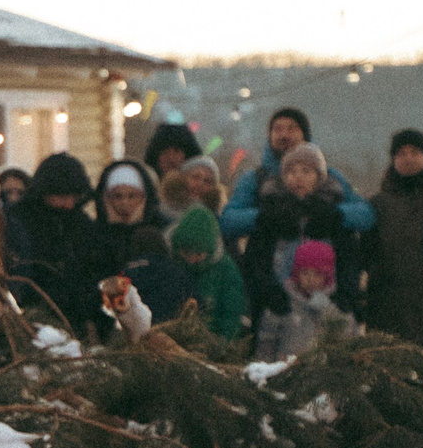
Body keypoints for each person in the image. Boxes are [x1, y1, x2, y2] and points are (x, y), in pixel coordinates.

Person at [240, 144, 362, 345]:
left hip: (326, 305)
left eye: (306, 171)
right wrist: (269, 292)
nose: (298, 177)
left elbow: (349, 259)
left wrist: (345, 297)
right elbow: (257, 259)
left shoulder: (332, 214)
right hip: (280, 307)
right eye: (291, 172)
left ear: (319, 177)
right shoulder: (272, 214)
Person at [222, 107, 373, 240]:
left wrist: (335, 214)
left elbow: (366, 214)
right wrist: (264, 217)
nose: (284, 135)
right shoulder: (255, 179)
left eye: (292, 129)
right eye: (277, 129)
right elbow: (228, 220)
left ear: (305, 134)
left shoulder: (330, 177)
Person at [365, 128, 423, 351]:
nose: (408, 158)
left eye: (414, 152)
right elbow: (366, 252)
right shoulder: (378, 204)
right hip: (389, 302)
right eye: (401, 153)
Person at [6, 152, 102, 335]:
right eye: (62, 196)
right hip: (32, 316)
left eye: (73, 196)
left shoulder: (82, 225)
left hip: (75, 320)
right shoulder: (21, 222)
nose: (69, 204)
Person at [91, 160, 194, 324]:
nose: (125, 203)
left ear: (144, 196)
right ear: (106, 198)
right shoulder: (94, 236)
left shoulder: (160, 230)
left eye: (132, 196)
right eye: (117, 196)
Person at [256, 239, 358, 361]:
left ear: (327, 276)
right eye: (305, 273)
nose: (311, 279)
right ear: (296, 274)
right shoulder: (283, 304)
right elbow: (266, 343)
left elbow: (350, 343)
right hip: (286, 371)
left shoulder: (337, 308)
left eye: (317, 274)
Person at [170, 206, 247, 340]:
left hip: (211, 339)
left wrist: (223, 344)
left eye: (199, 254)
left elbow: (231, 312)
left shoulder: (226, 270)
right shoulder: (170, 264)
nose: (192, 260)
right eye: (187, 253)